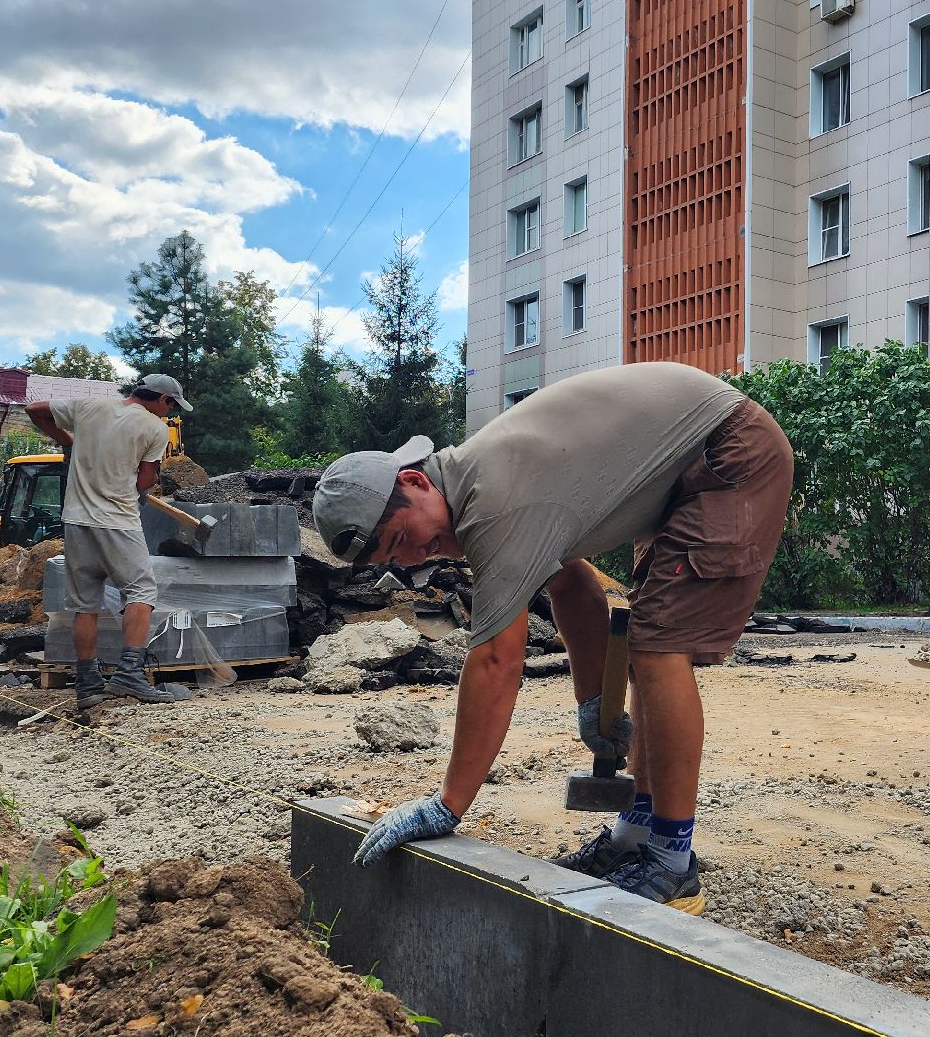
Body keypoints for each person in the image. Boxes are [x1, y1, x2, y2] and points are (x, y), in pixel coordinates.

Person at [317, 362, 794, 914]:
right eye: (396, 558)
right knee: (646, 644)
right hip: (693, 462)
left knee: (660, 650)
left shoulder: (494, 501)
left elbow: (497, 659)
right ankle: (635, 835)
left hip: (728, 453)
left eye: (405, 538)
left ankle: (672, 862)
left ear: (415, 481)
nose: (417, 557)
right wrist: (596, 702)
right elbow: (571, 584)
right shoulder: (476, 482)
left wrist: (446, 805)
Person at [25, 374, 190, 708]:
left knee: (85, 603)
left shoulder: (89, 406)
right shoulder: (154, 428)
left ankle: (87, 684)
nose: (169, 414)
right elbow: (145, 478)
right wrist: (142, 490)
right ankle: (129, 673)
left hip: (76, 519)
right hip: (117, 521)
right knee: (141, 591)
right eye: (171, 406)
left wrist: (68, 440)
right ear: (162, 399)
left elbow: (34, 409)